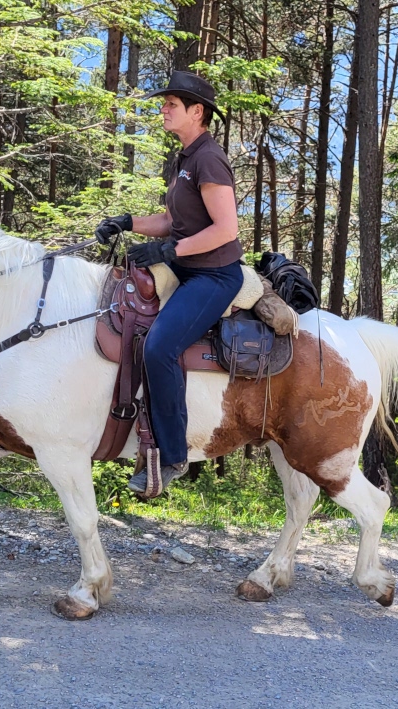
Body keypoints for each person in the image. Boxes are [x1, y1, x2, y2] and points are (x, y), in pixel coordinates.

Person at [94, 71, 244, 498]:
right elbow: (170, 222)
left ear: (197, 112)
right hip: (186, 267)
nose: (163, 109)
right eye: (164, 104)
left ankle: (173, 456)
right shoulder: (184, 158)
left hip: (214, 275)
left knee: (160, 346)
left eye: (171, 105)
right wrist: (127, 222)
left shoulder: (209, 159)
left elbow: (226, 229)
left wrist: (168, 253)